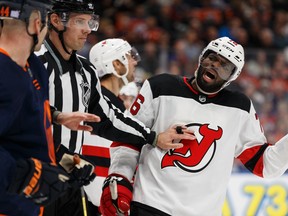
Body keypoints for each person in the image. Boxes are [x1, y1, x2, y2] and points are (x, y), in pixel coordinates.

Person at [36, 1, 194, 215]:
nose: (88, 29)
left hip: (71, 181)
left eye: (90, 21)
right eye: (79, 21)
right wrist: (67, 160)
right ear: (56, 20)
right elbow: (28, 121)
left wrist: (154, 137)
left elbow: (109, 118)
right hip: (34, 177)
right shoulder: (35, 62)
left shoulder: (86, 71)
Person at [100, 37, 288, 216]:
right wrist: (119, 176)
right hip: (150, 204)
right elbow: (128, 139)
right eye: (212, 58)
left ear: (232, 77)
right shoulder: (160, 87)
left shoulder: (240, 108)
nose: (215, 65)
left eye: (224, 66)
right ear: (202, 58)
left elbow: (265, 166)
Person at [0, 0, 92, 215]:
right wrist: (25, 174)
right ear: (35, 23)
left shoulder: (34, 66)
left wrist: (65, 161)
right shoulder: (5, 74)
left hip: (28, 207)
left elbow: (27, 135)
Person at [82, 38, 140, 214]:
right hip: (96, 199)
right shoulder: (103, 104)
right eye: (130, 56)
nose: (134, 61)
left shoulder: (108, 101)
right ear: (116, 64)